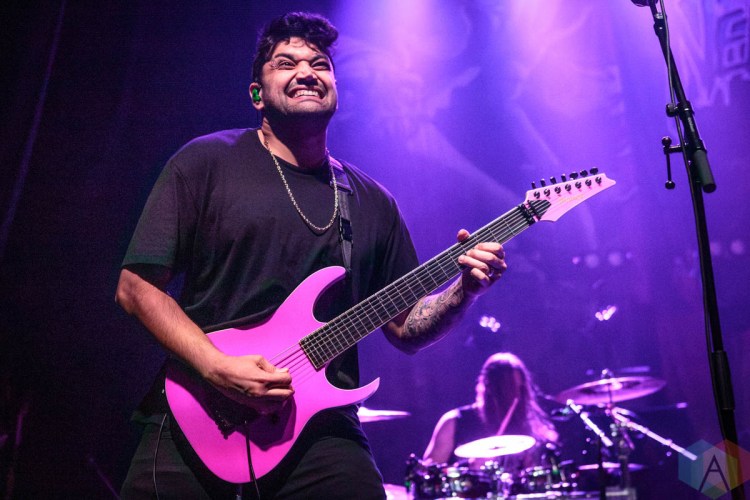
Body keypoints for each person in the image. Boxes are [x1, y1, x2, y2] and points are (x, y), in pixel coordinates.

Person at [115, 11, 507, 500]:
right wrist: (217, 367)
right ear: (257, 93)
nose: (306, 72)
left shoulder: (371, 200)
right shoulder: (205, 162)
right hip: (201, 410)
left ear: (336, 88)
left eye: (320, 64)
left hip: (321, 427)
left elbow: (407, 327)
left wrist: (463, 291)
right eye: (286, 63)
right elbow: (136, 288)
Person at [422, 352, 557, 472]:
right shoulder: (454, 422)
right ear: (489, 387)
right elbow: (429, 473)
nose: (515, 396)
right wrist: (466, 468)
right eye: (508, 389)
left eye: (519, 389)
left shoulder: (524, 425)